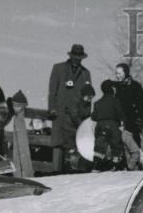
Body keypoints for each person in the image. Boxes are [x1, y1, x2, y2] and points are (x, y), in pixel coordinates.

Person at [48, 44, 93, 173]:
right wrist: (52, 109)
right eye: (74, 57)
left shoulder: (85, 74)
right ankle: (56, 172)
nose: (76, 60)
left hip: (77, 117)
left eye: (79, 58)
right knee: (59, 144)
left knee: (75, 145)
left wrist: (86, 116)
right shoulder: (58, 69)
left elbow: (88, 96)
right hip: (60, 114)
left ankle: (72, 174)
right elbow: (52, 91)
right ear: (70, 56)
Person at [91, 80, 125, 170]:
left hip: (100, 125)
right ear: (111, 89)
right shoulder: (115, 101)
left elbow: (93, 116)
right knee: (116, 145)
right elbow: (120, 114)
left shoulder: (97, 103)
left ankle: (96, 165)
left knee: (99, 146)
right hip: (112, 125)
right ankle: (115, 164)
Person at [113, 63, 143, 147]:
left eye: (119, 73)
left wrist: (140, 118)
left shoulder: (135, 86)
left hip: (132, 121)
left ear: (126, 73)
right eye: (116, 73)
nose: (117, 76)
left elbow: (142, 104)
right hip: (119, 121)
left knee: (134, 144)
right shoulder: (116, 87)